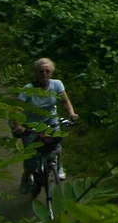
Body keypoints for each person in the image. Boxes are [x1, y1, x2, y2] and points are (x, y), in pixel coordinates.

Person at [12, 58, 79, 191]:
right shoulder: (28, 89)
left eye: (47, 71)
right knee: (31, 156)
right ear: (35, 73)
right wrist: (18, 126)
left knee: (56, 143)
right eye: (41, 71)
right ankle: (26, 176)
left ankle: (58, 167)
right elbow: (17, 109)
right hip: (30, 122)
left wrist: (72, 114)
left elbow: (65, 101)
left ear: (51, 72)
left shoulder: (57, 84)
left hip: (49, 119)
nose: (44, 74)